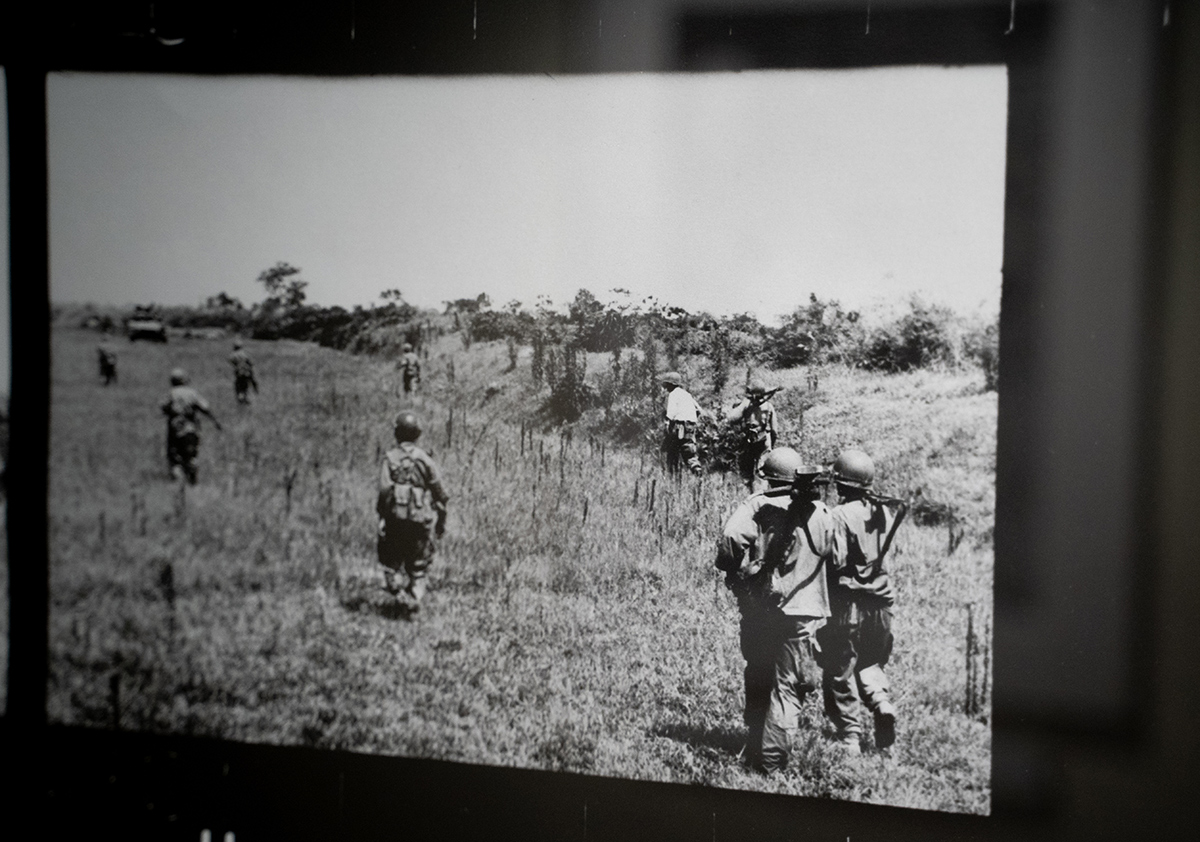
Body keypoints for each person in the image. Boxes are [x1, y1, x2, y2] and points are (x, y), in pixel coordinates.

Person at [715, 447, 835, 773]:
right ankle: (771, 764)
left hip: (764, 608)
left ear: (767, 476)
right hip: (807, 613)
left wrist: (730, 570)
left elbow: (730, 539)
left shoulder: (758, 504)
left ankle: (758, 747)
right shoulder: (822, 511)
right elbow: (835, 558)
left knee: (758, 670)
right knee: (788, 687)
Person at [818, 449, 908, 755]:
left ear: (842, 484)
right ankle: (882, 704)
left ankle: (850, 738)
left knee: (840, 666)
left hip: (848, 605)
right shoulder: (884, 511)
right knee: (871, 661)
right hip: (881, 604)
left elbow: (838, 561)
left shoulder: (839, 515)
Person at [376, 411, 449, 610]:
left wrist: (382, 517)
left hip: (395, 519)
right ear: (417, 434)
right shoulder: (424, 459)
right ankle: (414, 598)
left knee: (391, 558)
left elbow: (384, 491)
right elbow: (440, 492)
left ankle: (397, 592)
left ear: (397, 434)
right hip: (419, 518)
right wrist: (441, 518)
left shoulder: (390, 458)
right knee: (419, 561)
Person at [161, 368, 221, 484]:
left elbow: (163, 407)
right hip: (191, 428)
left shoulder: (171, 393)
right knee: (191, 455)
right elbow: (205, 408)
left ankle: (177, 484)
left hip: (175, 429)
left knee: (174, 457)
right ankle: (192, 482)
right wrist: (215, 421)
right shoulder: (192, 393)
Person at [724, 379, 781, 491]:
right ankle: (761, 495)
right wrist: (771, 446)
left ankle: (748, 494)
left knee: (746, 472)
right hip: (764, 441)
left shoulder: (746, 405)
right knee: (762, 472)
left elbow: (730, 419)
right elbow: (774, 431)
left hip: (749, 440)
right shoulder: (769, 407)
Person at [658, 371, 703, 476]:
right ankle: (697, 471)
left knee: (672, 451)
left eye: (667, 385)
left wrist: (667, 424)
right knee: (689, 453)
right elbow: (699, 410)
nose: (666, 388)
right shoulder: (687, 394)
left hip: (679, 426)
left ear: (670, 385)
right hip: (691, 426)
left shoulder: (673, 394)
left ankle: (672, 476)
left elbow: (671, 413)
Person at [229, 340, 258, 405]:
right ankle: (246, 400)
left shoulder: (233, 354)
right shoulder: (245, 354)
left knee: (239, 387)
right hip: (247, 373)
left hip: (239, 373)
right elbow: (251, 363)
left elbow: (231, 361)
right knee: (246, 387)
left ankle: (242, 400)